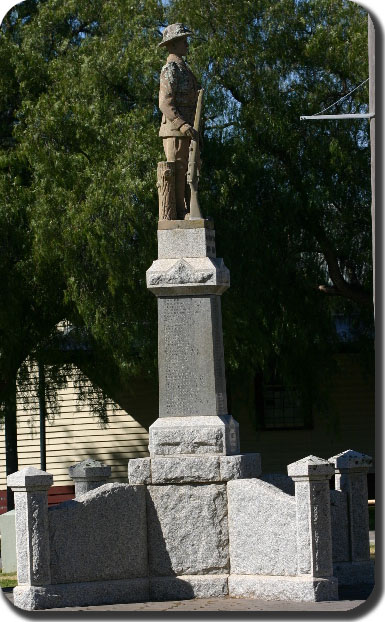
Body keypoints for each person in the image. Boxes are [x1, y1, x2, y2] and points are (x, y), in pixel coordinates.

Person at [158, 23, 200, 218]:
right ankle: (179, 211)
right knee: (177, 170)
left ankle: (188, 208)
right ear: (173, 45)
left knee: (190, 170)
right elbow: (165, 103)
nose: (187, 44)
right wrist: (182, 125)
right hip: (175, 130)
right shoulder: (171, 69)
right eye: (183, 40)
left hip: (189, 130)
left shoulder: (184, 69)